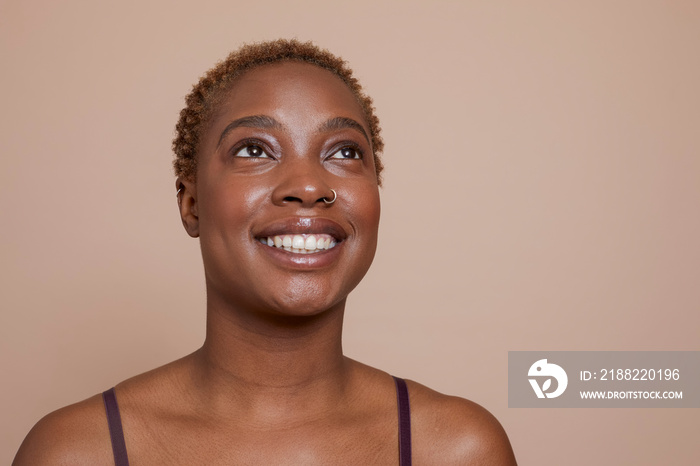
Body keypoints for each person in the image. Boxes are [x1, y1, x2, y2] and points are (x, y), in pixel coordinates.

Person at [14, 39, 517, 465]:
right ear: (191, 204)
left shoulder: (456, 449)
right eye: (254, 149)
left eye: (344, 151)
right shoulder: (78, 451)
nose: (307, 185)